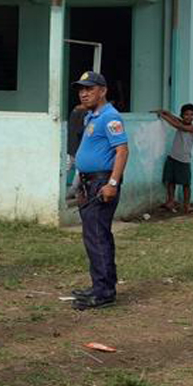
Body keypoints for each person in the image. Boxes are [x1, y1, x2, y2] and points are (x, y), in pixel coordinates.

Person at [69, 71, 128, 310]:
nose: (83, 93)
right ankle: (99, 286)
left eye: (89, 89)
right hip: (88, 182)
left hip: (101, 183)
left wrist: (112, 184)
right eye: (81, 89)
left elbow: (122, 151)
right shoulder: (92, 116)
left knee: (98, 236)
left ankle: (104, 292)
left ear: (102, 91)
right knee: (93, 235)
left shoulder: (110, 117)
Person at [154, 104, 193, 214]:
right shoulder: (181, 122)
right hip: (173, 157)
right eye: (186, 114)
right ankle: (170, 201)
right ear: (182, 116)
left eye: (191, 115)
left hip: (184, 160)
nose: (189, 117)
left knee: (186, 185)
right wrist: (167, 113)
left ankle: (187, 206)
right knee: (171, 182)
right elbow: (177, 120)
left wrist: (164, 116)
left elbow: (179, 126)